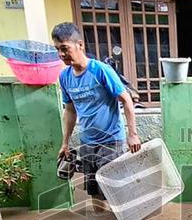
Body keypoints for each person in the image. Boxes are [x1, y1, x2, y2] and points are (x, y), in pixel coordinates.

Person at [53, 22, 141, 210]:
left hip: (111, 142)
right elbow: (70, 110)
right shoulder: (65, 77)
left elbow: (126, 100)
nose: (61, 54)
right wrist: (65, 143)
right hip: (87, 143)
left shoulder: (100, 70)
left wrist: (132, 134)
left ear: (80, 45)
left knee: (114, 190)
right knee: (94, 191)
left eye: (64, 48)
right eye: (57, 49)